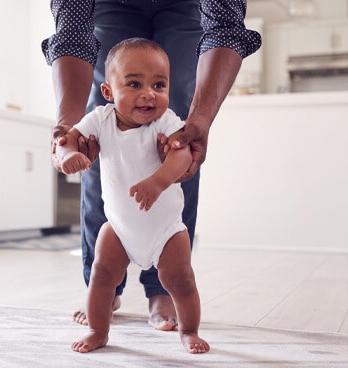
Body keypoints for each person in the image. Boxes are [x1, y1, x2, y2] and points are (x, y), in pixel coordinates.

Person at [41, 0, 261, 330]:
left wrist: (199, 119)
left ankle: (164, 288)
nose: (148, 93)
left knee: (177, 137)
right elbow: (73, 32)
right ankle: (103, 286)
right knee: (103, 134)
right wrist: (67, 131)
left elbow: (224, 28)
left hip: (186, 7)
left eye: (157, 86)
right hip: (110, 6)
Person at [56, 37, 207, 354]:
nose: (148, 93)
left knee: (180, 280)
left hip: (165, 230)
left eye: (159, 84)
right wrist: (69, 153)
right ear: (109, 92)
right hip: (119, 228)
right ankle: (98, 330)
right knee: (101, 276)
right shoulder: (101, 119)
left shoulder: (165, 121)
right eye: (135, 83)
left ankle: (189, 331)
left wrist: (158, 181)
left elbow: (181, 156)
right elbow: (70, 138)